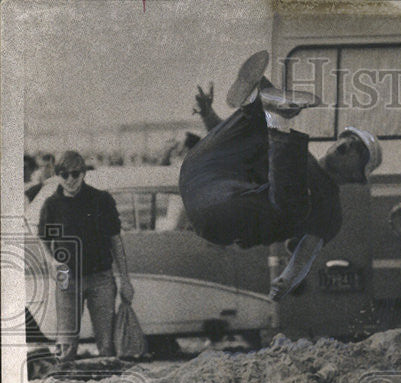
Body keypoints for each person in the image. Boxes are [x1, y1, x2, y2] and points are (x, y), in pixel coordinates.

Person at [180, 51, 382, 300]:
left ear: (357, 176)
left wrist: (287, 280)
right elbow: (233, 146)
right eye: (347, 138)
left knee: (285, 163)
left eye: (356, 149)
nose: (347, 144)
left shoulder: (330, 211)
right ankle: (260, 105)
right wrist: (207, 113)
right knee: (259, 139)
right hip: (211, 193)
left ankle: (273, 112)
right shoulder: (296, 155)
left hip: (236, 219)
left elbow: (305, 253)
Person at [38, 150, 135, 362]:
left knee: (107, 344)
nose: (70, 180)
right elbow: (44, 239)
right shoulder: (51, 206)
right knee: (65, 345)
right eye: (64, 175)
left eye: (75, 174)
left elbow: (115, 241)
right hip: (66, 279)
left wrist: (125, 280)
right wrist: (52, 261)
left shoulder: (101, 200)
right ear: (58, 176)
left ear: (83, 173)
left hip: (101, 278)